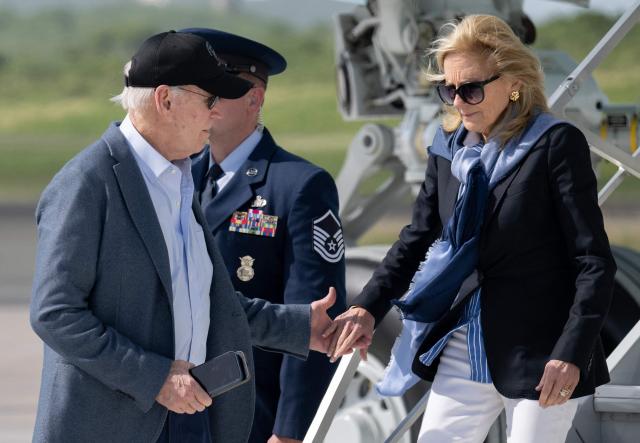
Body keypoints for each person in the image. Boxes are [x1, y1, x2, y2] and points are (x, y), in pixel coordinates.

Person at [30, 30, 337, 443]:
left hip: (190, 419)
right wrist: (155, 378)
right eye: (209, 100)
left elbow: (203, 300)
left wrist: (299, 328)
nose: (215, 114)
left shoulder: (179, 179)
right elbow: (55, 313)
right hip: (117, 424)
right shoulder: (87, 183)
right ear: (165, 100)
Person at [324, 14, 616, 443]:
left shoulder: (554, 144)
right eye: (448, 89)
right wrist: (368, 306)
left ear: (513, 82)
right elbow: (417, 237)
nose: (459, 102)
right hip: (465, 342)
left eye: (471, 88)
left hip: (542, 352)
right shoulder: (447, 149)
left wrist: (571, 354)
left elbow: (593, 262)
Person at [181, 28, 347, 443]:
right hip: (183, 403)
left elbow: (314, 319)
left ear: (255, 97)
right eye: (203, 86)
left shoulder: (300, 185)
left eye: (221, 86)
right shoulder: (180, 177)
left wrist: (291, 430)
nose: (207, 97)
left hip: (254, 412)